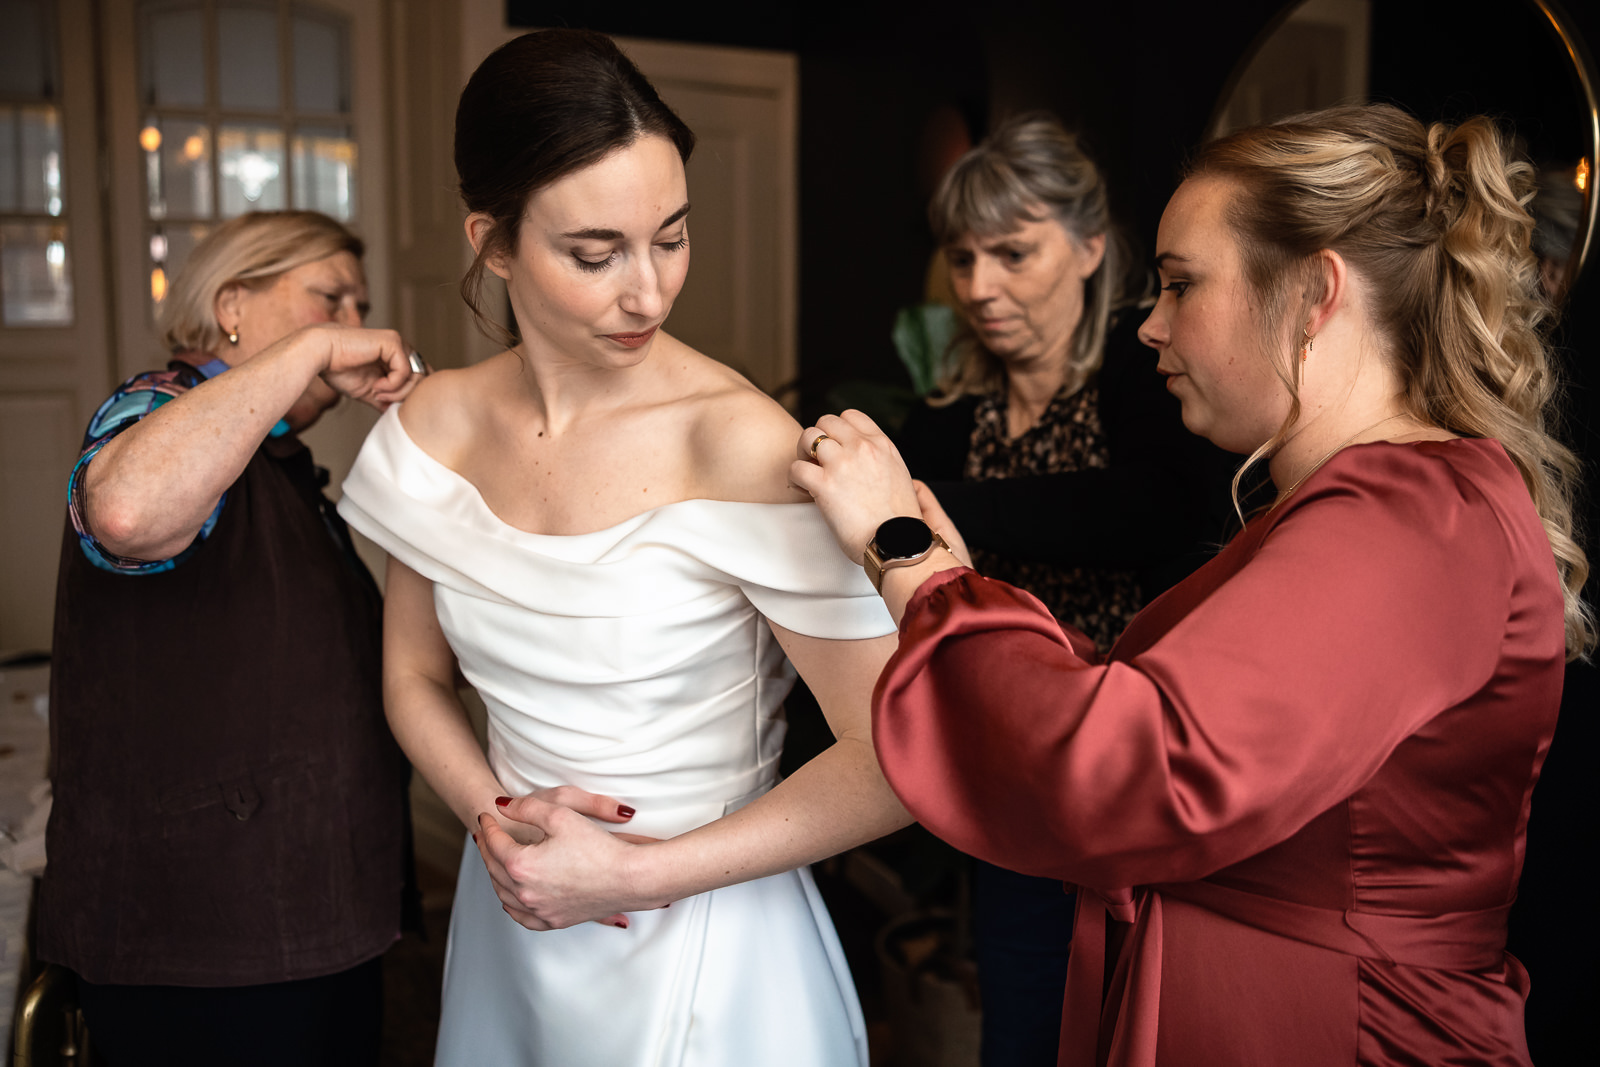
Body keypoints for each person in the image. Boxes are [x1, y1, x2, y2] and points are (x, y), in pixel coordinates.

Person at [794, 103, 1589, 1066]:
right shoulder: (1379, 502)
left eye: (1180, 286)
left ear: (1313, 291)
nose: (1153, 327)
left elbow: (1142, 762)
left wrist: (909, 554)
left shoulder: (1413, 513)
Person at [334, 29, 909, 1066]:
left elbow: (893, 757)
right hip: (515, 919)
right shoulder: (434, 431)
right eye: (595, 255)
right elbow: (413, 674)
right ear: (493, 242)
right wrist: (493, 816)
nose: (648, 292)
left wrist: (635, 875)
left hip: (713, 947)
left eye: (672, 236)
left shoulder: (738, 443)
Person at [37, 211, 425, 1066]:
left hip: (313, 916)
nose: (354, 330)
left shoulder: (286, 471)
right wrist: (308, 352)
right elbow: (128, 513)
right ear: (232, 303)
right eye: (330, 300)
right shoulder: (155, 406)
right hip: (200, 940)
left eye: (359, 307)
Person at [892, 112, 1224, 1066]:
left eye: (1013, 252)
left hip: (1140, 766)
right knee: (1027, 1019)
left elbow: (1152, 513)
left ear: (1088, 247)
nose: (982, 288)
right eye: (963, 259)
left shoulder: (1144, 372)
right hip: (1014, 776)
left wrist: (935, 506)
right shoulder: (953, 418)